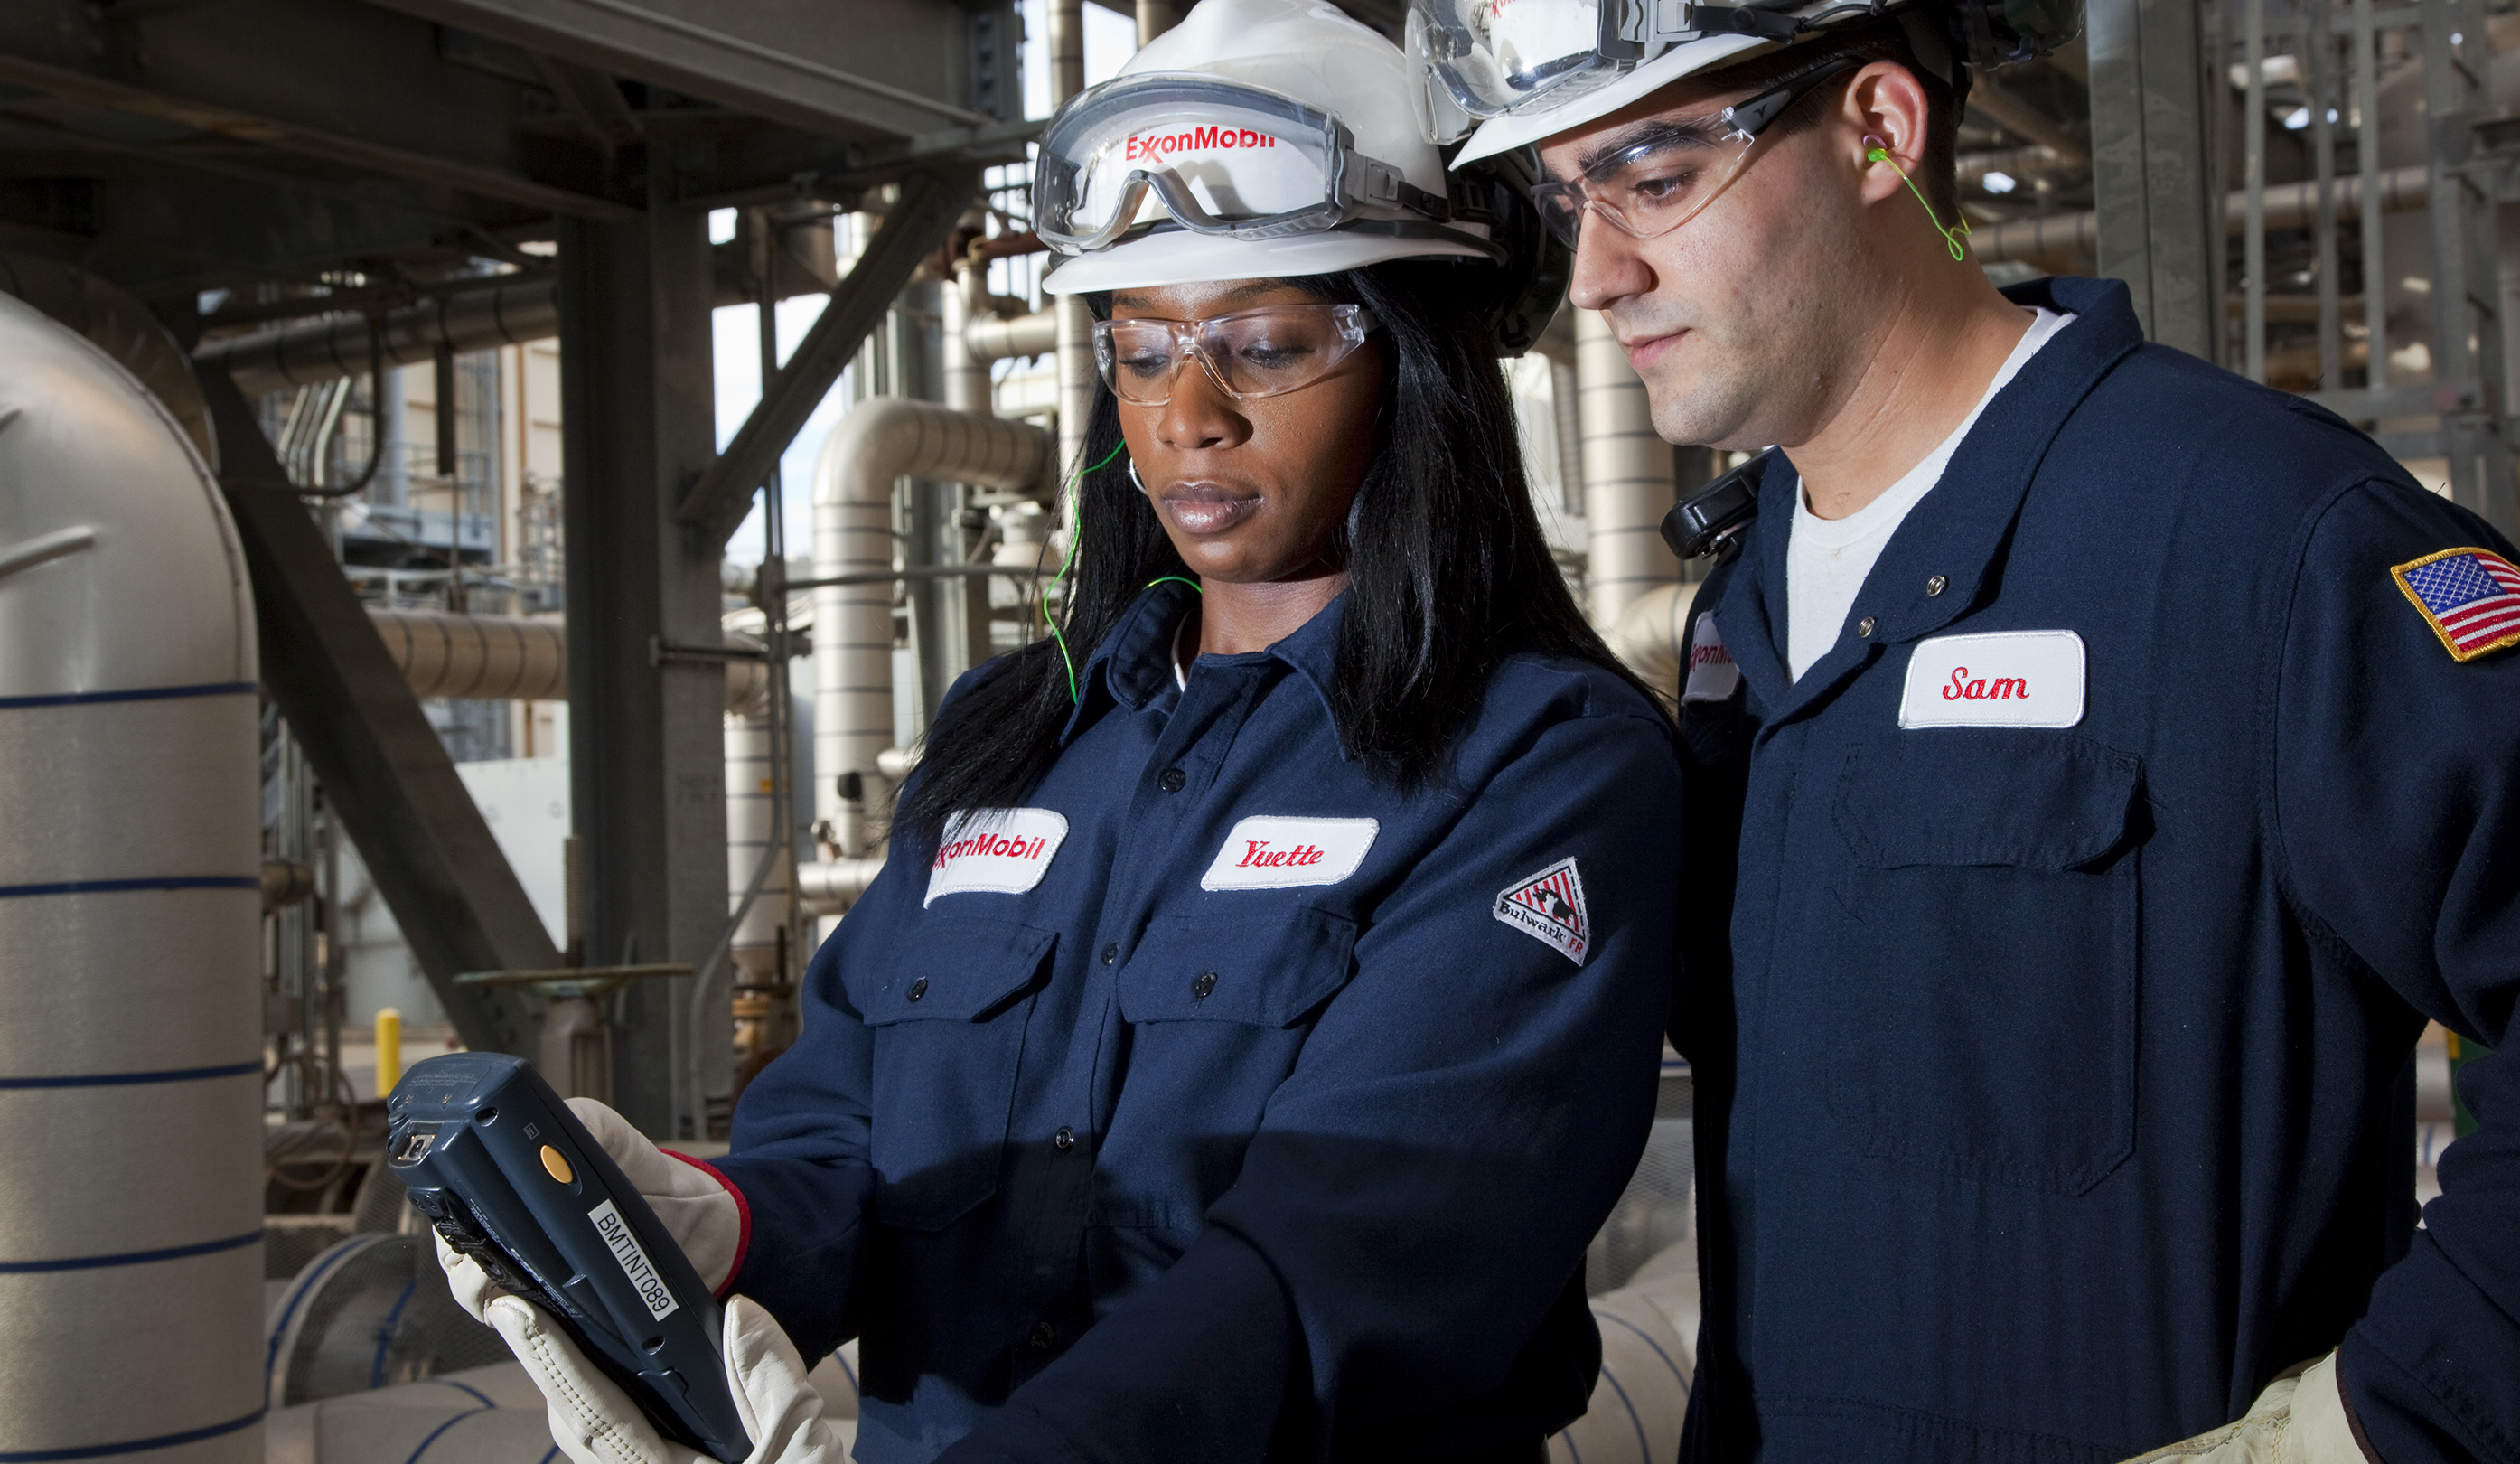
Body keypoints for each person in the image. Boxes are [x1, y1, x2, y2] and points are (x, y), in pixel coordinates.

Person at [441, 3, 1686, 1461]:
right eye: (1142, 348)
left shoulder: (1541, 766)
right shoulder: (1013, 738)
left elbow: (1339, 1260)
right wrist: (713, 1230)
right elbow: (852, 1133)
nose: (1188, 417)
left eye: (1266, 345)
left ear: (1419, 360)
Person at [1410, 0, 2520, 1460]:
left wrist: (2391, 1421)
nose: (1600, 275)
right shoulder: (1738, 620)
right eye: (1570, 201)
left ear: (1881, 130)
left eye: (1656, 178)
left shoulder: (2264, 541)